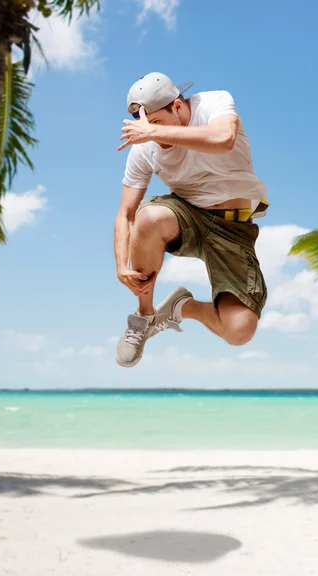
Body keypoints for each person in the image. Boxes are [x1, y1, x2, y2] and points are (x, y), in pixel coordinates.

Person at [114, 72, 268, 368]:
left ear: (179, 107)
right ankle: (144, 317)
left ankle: (183, 306)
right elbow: (126, 214)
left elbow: (223, 139)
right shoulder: (144, 146)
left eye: (156, 122)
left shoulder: (215, 103)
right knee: (148, 218)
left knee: (239, 331)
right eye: (145, 125)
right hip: (187, 217)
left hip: (232, 227)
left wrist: (153, 134)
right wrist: (121, 265)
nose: (150, 132)